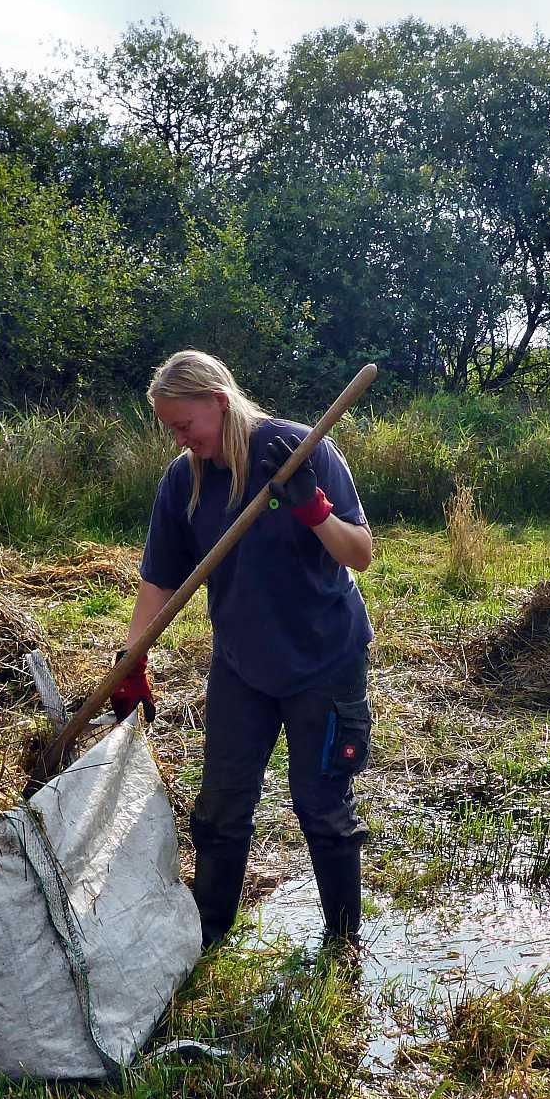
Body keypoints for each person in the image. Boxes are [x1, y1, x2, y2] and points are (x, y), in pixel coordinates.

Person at [115, 351, 375, 952]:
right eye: (169, 429)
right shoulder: (185, 480)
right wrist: (134, 660)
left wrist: (314, 510)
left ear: (219, 402)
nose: (179, 439)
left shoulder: (300, 452)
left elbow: (359, 552)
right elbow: (159, 577)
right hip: (243, 667)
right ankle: (208, 936)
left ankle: (343, 942)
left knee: (322, 806)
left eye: (185, 425)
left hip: (325, 662)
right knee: (221, 805)